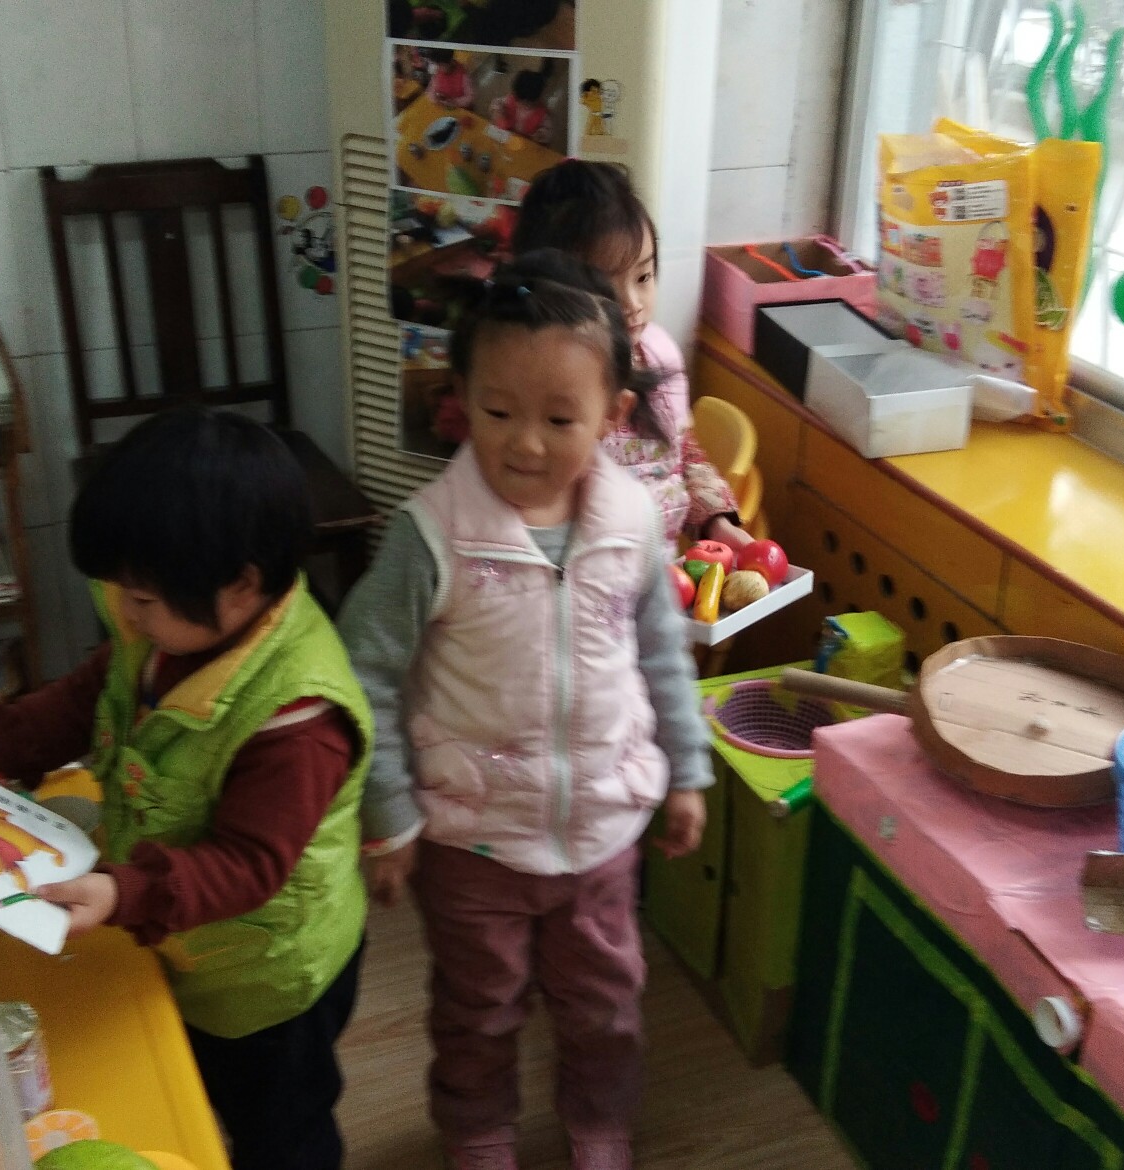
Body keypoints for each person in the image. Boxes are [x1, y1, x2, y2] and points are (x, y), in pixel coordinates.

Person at [340, 253, 714, 1170]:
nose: (526, 444)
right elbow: (364, 674)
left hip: (602, 831)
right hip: (472, 844)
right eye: (498, 412)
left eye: (559, 418)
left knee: (606, 1005)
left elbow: (662, 653)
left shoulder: (631, 520)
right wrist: (390, 817)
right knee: (478, 1009)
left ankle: (600, 1121)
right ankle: (478, 1130)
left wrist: (687, 770)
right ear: (462, 399)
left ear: (612, 416)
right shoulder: (431, 534)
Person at [0, 409, 372, 1170]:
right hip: (181, 938)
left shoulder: (299, 720)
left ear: (241, 586)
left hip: (265, 982)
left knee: (280, 1130)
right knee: (191, 1080)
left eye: (142, 600)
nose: (124, 613)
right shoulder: (169, 624)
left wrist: (126, 892)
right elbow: (94, 692)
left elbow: (247, 863)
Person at [513, 160, 751, 551]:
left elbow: (682, 451)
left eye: (643, 277)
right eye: (606, 287)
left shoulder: (657, 353)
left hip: (664, 569)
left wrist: (716, 521)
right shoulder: (538, 384)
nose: (633, 303)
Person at [488, 68, 555, 144]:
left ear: (538, 99)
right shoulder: (510, 99)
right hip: (507, 135)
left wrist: (541, 133)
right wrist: (497, 110)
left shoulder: (543, 114)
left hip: (526, 141)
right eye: (519, 100)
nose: (523, 105)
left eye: (528, 103)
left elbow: (548, 130)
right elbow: (496, 103)